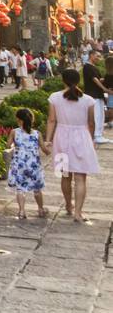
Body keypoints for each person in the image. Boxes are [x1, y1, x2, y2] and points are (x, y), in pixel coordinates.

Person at [46, 68, 102, 224]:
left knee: (65, 175)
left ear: (63, 80)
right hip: (81, 137)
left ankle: (68, 205)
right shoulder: (88, 100)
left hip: (62, 138)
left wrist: (48, 139)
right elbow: (91, 123)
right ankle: (78, 212)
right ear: (79, 81)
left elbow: (51, 120)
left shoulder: (54, 98)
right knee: (80, 177)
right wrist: (90, 140)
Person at [7, 108, 49, 219]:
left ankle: (21, 211)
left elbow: (8, 146)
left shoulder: (14, 132)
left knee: (20, 188)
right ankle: (40, 209)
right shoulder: (37, 134)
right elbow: (44, 150)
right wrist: (48, 149)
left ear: (18, 120)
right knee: (37, 189)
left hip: (19, 164)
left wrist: (15, 146)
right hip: (33, 165)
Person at [82, 57, 108, 145]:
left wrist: (108, 80)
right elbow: (95, 79)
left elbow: (99, 79)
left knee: (101, 114)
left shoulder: (94, 67)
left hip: (99, 94)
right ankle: (96, 135)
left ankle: (99, 134)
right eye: (96, 56)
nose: (98, 58)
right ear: (92, 55)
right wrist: (104, 88)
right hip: (93, 94)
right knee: (96, 115)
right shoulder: (87, 67)